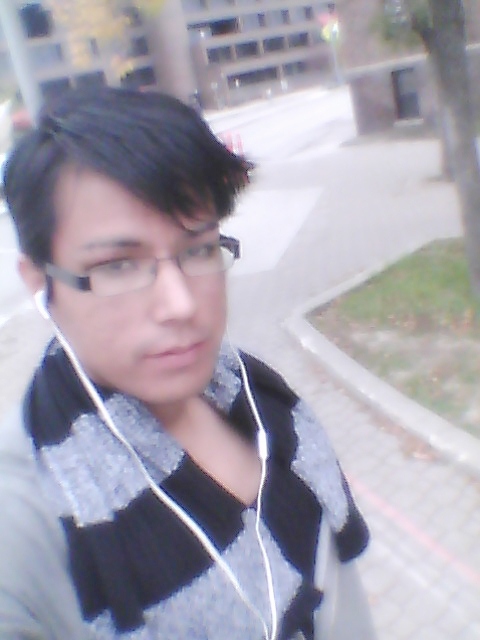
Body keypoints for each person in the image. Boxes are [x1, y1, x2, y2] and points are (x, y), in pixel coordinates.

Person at [0, 88, 376, 640]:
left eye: (198, 250)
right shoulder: (26, 518)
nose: (180, 304)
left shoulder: (257, 394)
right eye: (118, 266)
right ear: (41, 283)